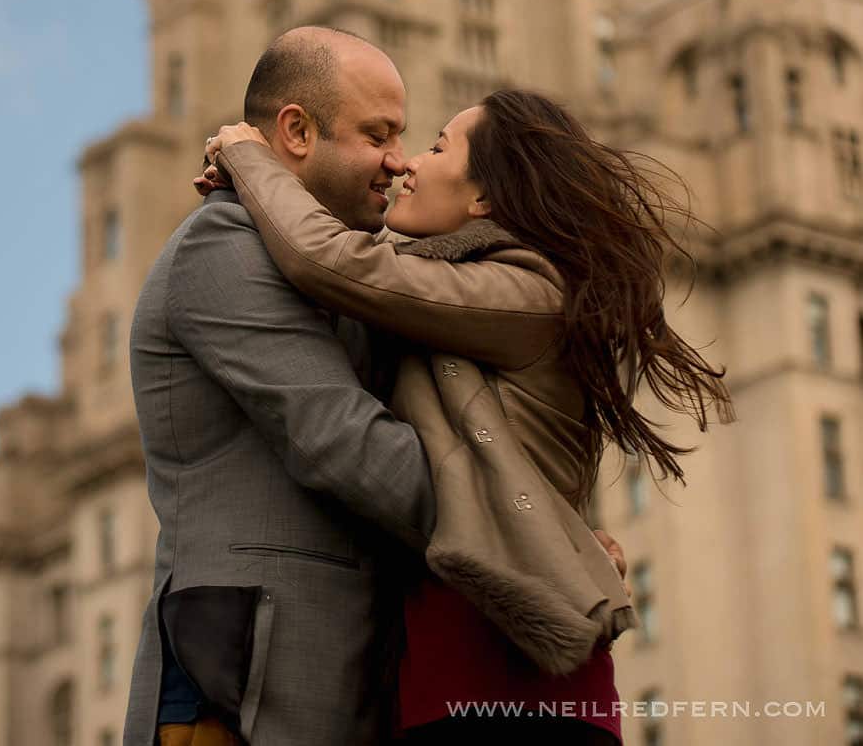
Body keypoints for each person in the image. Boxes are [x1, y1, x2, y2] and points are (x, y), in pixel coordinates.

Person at [203, 85, 730, 743]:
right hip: (438, 688)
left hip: (522, 699)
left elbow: (332, 262)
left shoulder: (528, 293)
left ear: (482, 198)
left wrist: (251, 158)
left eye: (435, 145)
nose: (406, 164)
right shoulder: (452, 293)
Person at [124, 26, 437, 746]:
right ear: (296, 130)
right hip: (238, 692)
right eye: (377, 134)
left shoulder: (338, 265)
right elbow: (347, 446)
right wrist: (527, 521)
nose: (400, 158)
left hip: (328, 683)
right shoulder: (223, 245)